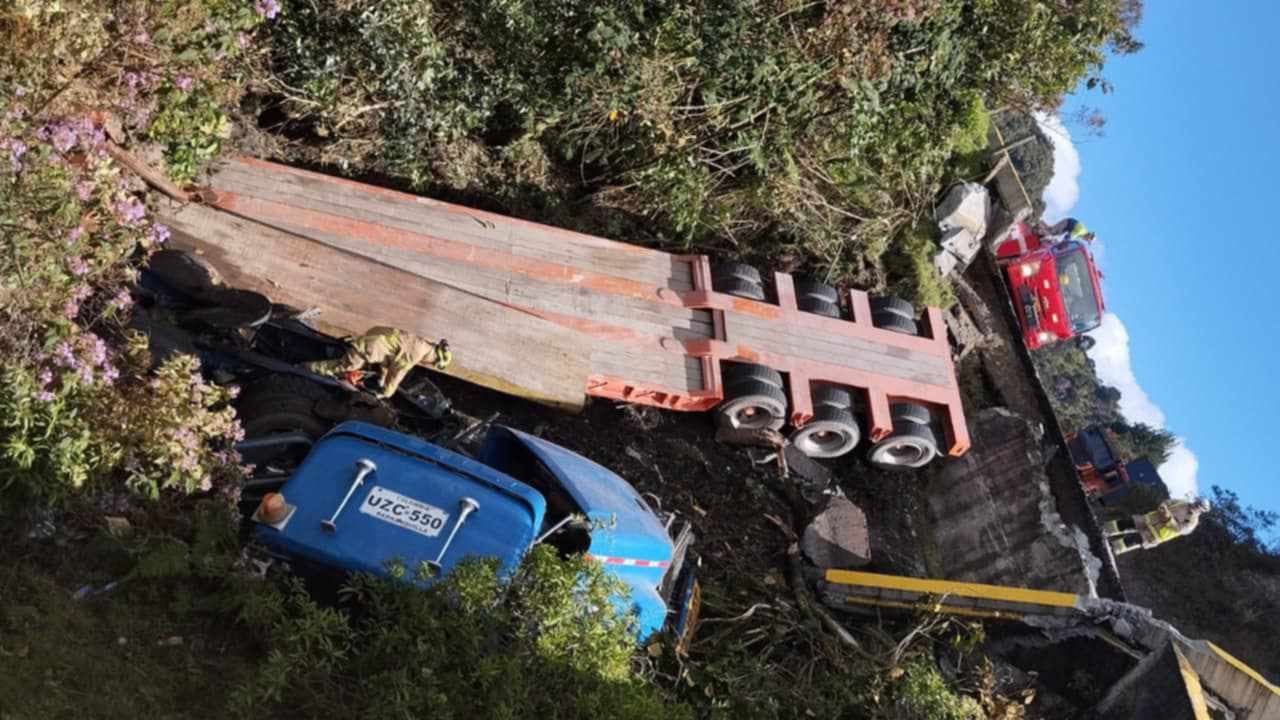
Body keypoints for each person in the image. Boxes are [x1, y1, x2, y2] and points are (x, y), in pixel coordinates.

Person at [306, 326, 452, 398]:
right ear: (435, 358)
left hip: (372, 341)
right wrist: (387, 393)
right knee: (343, 367)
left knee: (357, 371)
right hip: (367, 348)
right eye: (432, 363)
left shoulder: (419, 343)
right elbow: (397, 373)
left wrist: (382, 379)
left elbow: (388, 359)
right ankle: (304, 369)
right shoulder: (417, 353)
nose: (428, 364)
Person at [1103, 498, 1211, 555]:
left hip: (1154, 535)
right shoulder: (1182, 502)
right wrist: (1162, 507)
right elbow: (1167, 502)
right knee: (1124, 523)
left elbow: (1179, 529)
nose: (1195, 505)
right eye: (1197, 502)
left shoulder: (1192, 521)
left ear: (1201, 510)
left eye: (1198, 506)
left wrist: (1168, 518)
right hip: (1147, 520)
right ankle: (1103, 530)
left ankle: (1109, 549)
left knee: (1130, 541)